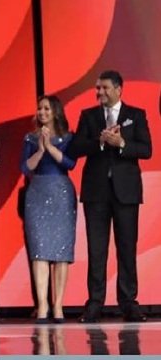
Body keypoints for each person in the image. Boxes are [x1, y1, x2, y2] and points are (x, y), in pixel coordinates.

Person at [68, 70, 152, 323]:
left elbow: (146, 149)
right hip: (96, 193)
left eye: (104, 88)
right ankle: (95, 303)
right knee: (97, 250)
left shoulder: (135, 115)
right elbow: (75, 148)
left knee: (127, 248)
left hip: (126, 193)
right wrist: (101, 142)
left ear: (118, 88)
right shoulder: (89, 116)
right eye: (98, 88)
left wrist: (122, 143)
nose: (100, 93)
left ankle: (128, 302)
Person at [20, 95, 77, 323]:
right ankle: (42, 305)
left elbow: (70, 164)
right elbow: (25, 167)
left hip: (62, 192)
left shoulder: (68, 137)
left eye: (46, 108)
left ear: (55, 112)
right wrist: (41, 149)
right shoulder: (30, 138)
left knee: (62, 252)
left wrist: (51, 147)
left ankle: (58, 305)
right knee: (39, 251)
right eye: (39, 108)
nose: (42, 112)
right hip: (37, 192)